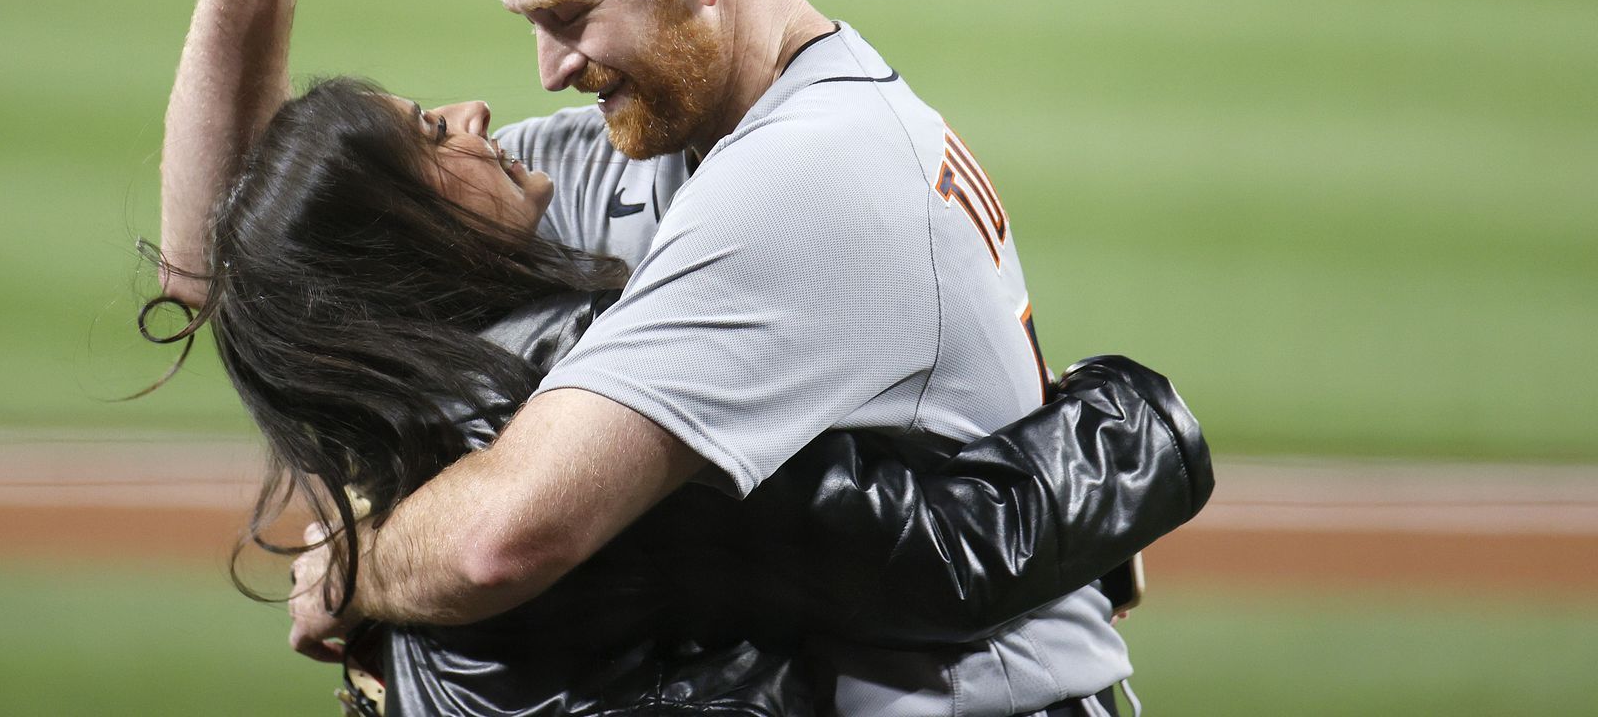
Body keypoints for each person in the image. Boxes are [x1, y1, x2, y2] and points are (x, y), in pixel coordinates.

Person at [160, 0, 1186, 715]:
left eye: (570, 16)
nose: (547, 70)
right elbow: (258, 264)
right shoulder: (650, 146)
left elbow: (500, 540)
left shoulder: (800, 177)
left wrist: (359, 561)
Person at [169, 74, 1207, 714]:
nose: (476, 110)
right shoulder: (575, 425)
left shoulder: (383, 432)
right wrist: (1135, 417)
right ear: (405, 238)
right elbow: (952, 550)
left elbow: (253, 264)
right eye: (432, 137)